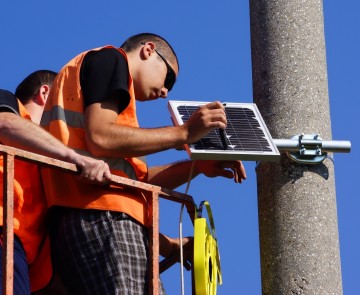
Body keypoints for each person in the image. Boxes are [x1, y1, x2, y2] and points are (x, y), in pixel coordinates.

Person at [41, 33, 247, 294]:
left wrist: (196, 167)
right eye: (168, 78)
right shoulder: (111, 59)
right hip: (103, 215)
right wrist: (184, 133)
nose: (164, 92)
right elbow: (101, 137)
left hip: (89, 214)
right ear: (148, 50)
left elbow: (134, 181)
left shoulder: (102, 97)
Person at [0, 70, 111, 295]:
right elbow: (4, 123)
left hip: (21, 255)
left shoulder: (49, 159)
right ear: (45, 93)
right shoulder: (9, 105)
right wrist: (73, 156)